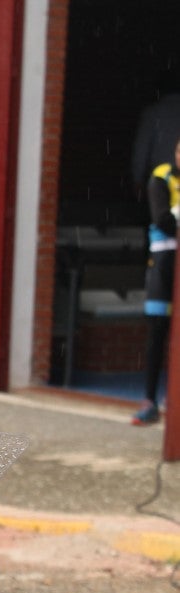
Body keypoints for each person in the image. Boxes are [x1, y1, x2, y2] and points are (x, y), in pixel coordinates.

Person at [132, 135, 180, 425]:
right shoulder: (160, 178)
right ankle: (149, 401)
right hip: (164, 266)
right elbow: (163, 220)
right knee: (157, 333)